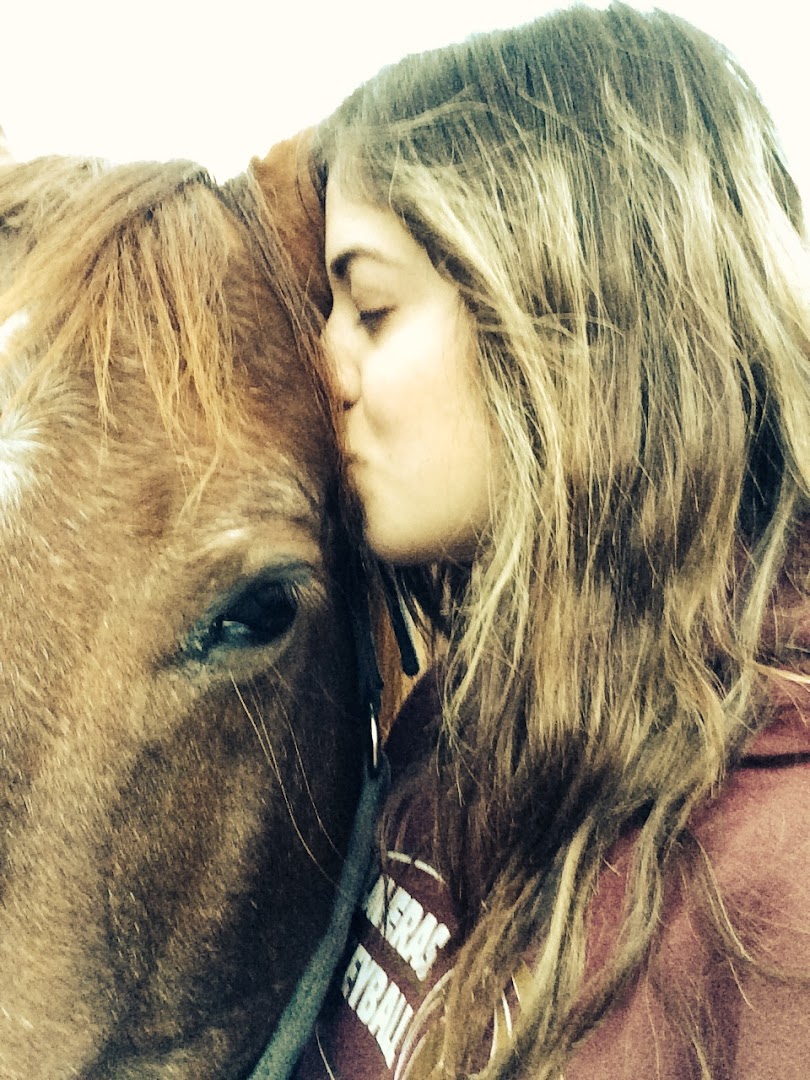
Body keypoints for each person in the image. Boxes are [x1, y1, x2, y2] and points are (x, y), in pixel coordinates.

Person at [293, 4, 810, 1077]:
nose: (323, 363)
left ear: (573, 322)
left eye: (371, 309)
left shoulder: (780, 874)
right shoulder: (446, 724)